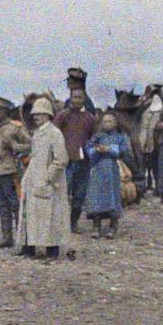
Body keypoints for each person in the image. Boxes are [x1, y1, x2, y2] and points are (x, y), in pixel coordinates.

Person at [19, 95, 70, 258]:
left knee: (50, 215)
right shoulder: (37, 134)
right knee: (32, 214)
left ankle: (52, 249)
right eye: (35, 115)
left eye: (39, 114)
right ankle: (30, 246)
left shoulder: (55, 134)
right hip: (33, 177)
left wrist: (49, 177)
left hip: (48, 182)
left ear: (48, 114)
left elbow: (61, 159)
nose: (36, 117)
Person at [55, 69, 97, 233]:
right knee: (63, 191)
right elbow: (56, 133)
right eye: (74, 96)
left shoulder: (90, 115)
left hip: (83, 160)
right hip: (66, 159)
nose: (76, 99)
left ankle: (73, 222)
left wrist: (90, 152)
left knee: (79, 194)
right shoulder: (63, 114)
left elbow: (94, 135)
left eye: (79, 97)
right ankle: (61, 223)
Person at [0, 99, 30, 248]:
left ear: (5, 111)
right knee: (1, 205)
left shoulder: (15, 128)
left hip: (9, 171)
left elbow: (30, 144)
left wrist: (14, 146)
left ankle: (21, 237)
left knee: (14, 205)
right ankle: (7, 237)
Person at [83, 110, 132, 237]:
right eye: (105, 121)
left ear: (115, 123)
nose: (107, 124)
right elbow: (88, 149)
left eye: (110, 121)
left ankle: (113, 226)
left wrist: (110, 149)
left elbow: (124, 151)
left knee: (113, 196)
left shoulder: (120, 138)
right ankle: (96, 226)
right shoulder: (97, 137)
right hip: (98, 168)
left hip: (112, 169)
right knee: (97, 195)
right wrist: (96, 150)